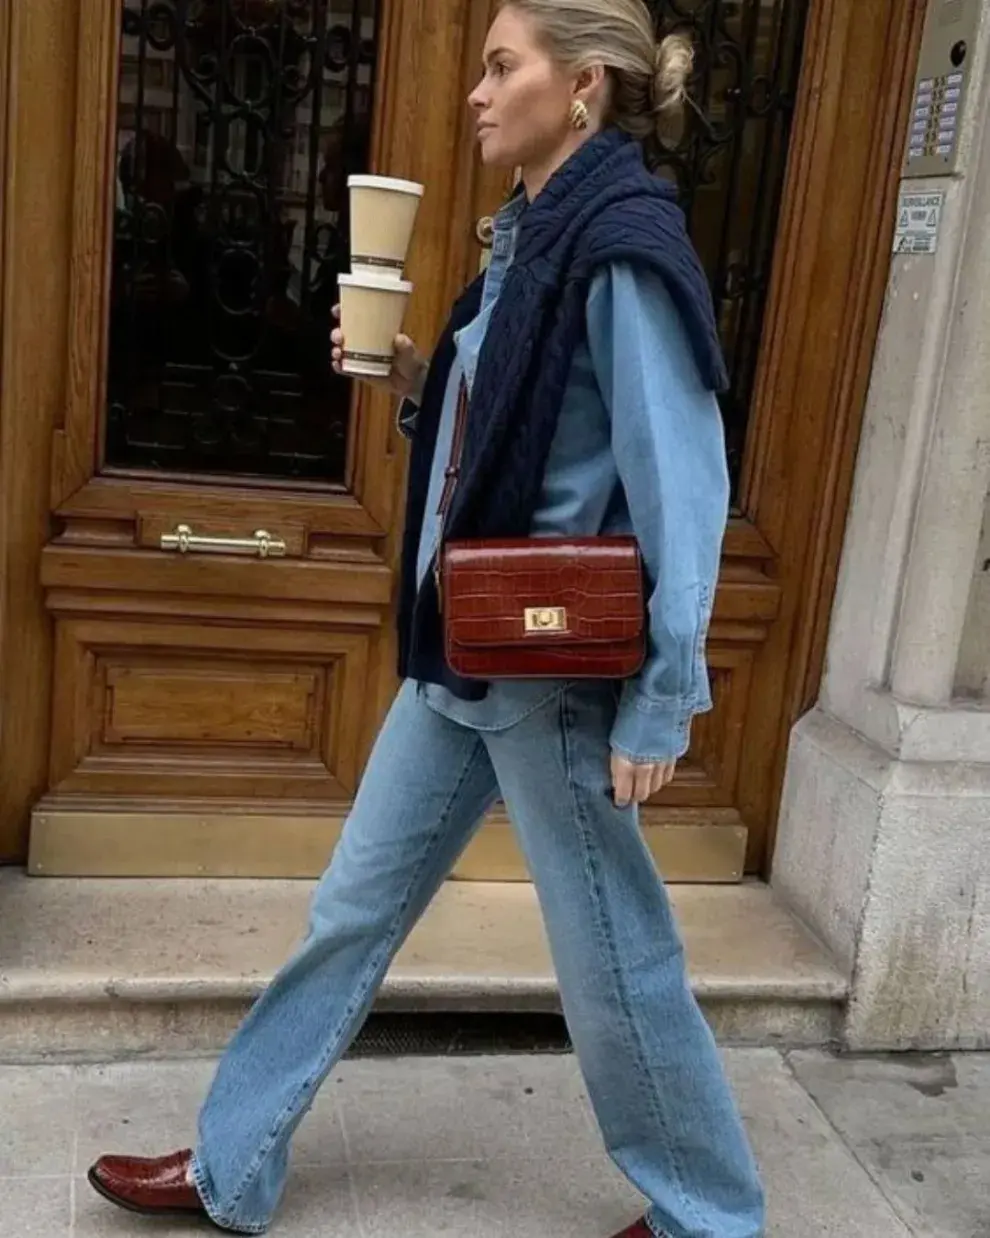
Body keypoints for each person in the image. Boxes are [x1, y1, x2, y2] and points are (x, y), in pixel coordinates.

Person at [86, 1, 766, 1235]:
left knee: (616, 959)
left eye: (503, 66)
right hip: (461, 651)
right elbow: (495, 426)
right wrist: (408, 372)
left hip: (552, 670)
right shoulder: (528, 239)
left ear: (583, 89)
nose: (476, 90)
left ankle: (707, 1214)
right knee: (351, 909)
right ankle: (234, 1163)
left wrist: (664, 698)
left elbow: (684, 479)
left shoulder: (618, 246)